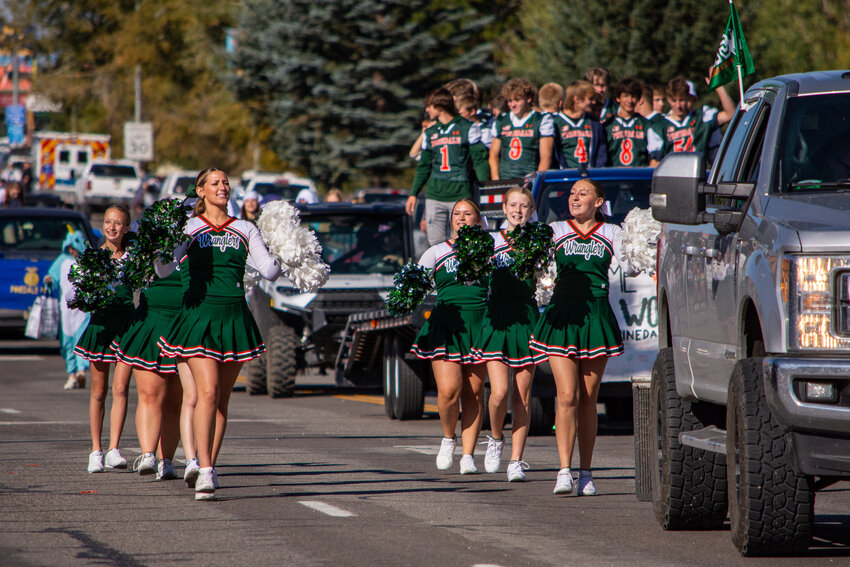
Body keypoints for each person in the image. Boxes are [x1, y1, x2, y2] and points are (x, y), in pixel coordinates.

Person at [157, 167, 281, 500]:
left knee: (221, 401)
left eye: (226, 182)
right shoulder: (190, 228)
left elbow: (268, 269)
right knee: (207, 392)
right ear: (200, 191)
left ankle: (208, 463)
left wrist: (282, 253)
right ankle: (204, 469)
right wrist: (161, 247)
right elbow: (166, 268)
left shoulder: (244, 228)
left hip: (233, 316)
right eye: (215, 183)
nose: (223, 186)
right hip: (199, 317)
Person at [529, 178, 638, 496]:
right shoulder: (555, 230)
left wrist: (639, 248)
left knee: (589, 399)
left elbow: (630, 268)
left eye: (583, 193)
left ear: (598, 201)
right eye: (572, 194)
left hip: (595, 317)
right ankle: (564, 470)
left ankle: (586, 472)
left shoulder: (612, 232)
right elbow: (537, 267)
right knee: (567, 396)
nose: (575, 198)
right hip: (562, 317)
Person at [471, 187, 544, 481]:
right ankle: (497, 438)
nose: (518, 210)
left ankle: (516, 460)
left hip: (526, 317)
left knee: (523, 396)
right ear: (504, 208)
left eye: (524, 206)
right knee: (499, 392)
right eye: (513, 205)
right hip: (497, 319)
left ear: (531, 209)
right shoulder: (490, 241)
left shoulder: (539, 240)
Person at [411, 199, 488, 474]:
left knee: (475, 393)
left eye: (468, 213)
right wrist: (405, 292)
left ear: (478, 219)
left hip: (478, 324)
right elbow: (415, 284)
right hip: (446, 325)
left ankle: (468, 454)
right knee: (448, 391)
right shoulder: (436, 252)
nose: (461, 217)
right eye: (457, 213)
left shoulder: (489, 251)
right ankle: (447, 437)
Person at [74, 204, 135, 473]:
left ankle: (114, 449)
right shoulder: (93, 257)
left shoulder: (134, 256)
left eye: (118, 223)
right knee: (99, 391)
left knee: (121, 389)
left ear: (127, 227)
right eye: (108, 222)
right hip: (101, 326)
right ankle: (96, 450)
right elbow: (77, 293)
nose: (112, 227)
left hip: (127, 325)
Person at [109, 268, 185, 478]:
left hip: (184, 319)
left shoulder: (196, 236)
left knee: (175, 401)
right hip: (152, 318)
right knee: (151, 394)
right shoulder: (147, 238)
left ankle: (167, 460)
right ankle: (148, 454)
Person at [406, 88, 489, 247]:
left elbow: (479, 160)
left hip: (460, 195)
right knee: (435, 244)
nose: (427, 110)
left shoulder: (467, 127)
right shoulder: (430, 132)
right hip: (435, 195)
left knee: (464, 242)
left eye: (429, 106)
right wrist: (413, 193)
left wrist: (483, 188)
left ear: (439, 107)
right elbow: (424, 165)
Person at [45, 230, 91, 390]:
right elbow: (53, 278)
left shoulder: (87, 260)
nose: (72, 251)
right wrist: (49, 281)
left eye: (74, 247)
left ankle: (81, 370)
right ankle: (72, 374)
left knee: (81, 340)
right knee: (67, 343)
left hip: (83, 310)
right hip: (65, 310)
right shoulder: (62, 261)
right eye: (70, 247)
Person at [489, 78, 554, 180]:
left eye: (517, 100)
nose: (513, 104)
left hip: (529, 178)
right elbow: (493, 154)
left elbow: (546, 156)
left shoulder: (541, 119)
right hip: (505, 179)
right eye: (509, 101)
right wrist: (496, 180)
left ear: (528, 98)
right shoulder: (501, 120)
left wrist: (537, 181)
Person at [658, 77, 736, 161]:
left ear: (688, 98)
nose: (678, 105)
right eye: (674, 101)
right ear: (668, 100)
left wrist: (719, 88)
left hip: (696, 172)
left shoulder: (702, 117)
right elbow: (655, 162)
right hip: (673, 172)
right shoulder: (660, 125)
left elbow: (730, 114)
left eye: (681, 100)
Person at [605, 78, 663, 167]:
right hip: (614, 176)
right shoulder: (608, 125)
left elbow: (655, 156)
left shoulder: (646, 125)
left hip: (638, 177)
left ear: (638, 99)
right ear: (618, 98)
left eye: (633, 96)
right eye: (625, 96)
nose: (629, 100)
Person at [552, 80, 608, 169]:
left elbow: (601, 155)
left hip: (590, 177)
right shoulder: (556, 123)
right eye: (590, 99)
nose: (594, 102)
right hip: (565, 178)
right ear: (576, 99)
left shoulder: (594, 124)